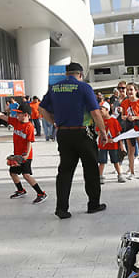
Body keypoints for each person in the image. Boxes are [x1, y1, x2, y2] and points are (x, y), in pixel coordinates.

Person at [39, 62, 110, 219]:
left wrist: (53, 122)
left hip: (63, 134)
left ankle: (61, 208)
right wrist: (103, 132)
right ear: (80, 75)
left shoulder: (54, 88)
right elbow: (95, 112)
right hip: (83, 134)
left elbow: (41, 108)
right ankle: (93, 204)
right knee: (90, 170)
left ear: (66, 74)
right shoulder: (84, 87)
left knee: (65, 172)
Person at [7, 103, 47, 203]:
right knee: (13, 173)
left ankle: (41, 193)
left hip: (25, 156)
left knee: (26, 175)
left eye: (19, 113)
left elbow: (29, 142)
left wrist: (26, 155)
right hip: (17, 155)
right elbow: (3, 117)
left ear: (25, 115)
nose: (17, 115)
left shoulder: (29, 127)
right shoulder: (16, 122)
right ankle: (21, 190)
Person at [121, 84, 139, 179]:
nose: (129, 92)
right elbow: (122, 115)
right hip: (129, 126)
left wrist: (135, 117)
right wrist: (125, 117)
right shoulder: (124, 102)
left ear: (136, 91)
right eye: (127, 90)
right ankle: (132, 172)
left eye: (131, 89)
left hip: (138, 125)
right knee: (130, 150)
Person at [97, 104, 125, 183]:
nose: (100, 111)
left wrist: (121, 145)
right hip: (103, 145)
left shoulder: (114, 120)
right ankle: (100, 176)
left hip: (114, 145)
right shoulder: (99, 121)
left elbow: (118, 133)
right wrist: (105, 139)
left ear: (107, 110)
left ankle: (120, 175)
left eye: (101, 109)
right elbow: (99, 133)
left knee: (116, 161)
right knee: (102, 161)